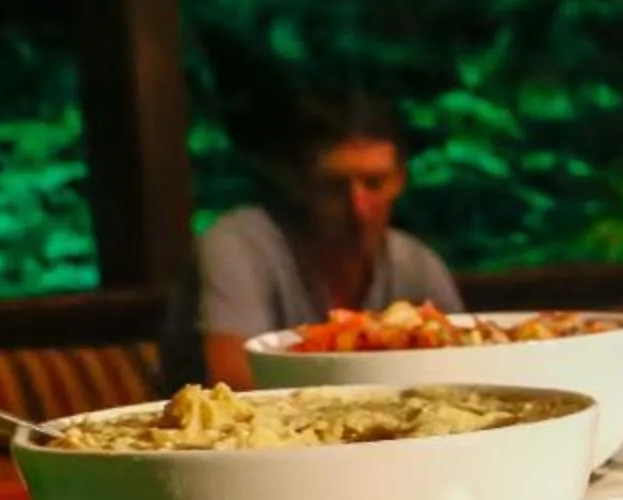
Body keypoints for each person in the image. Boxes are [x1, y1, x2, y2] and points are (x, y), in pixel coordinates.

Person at [175, 92, 463, 387]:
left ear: (399, 181)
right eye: (335, 187)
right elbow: (232, 383)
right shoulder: (237, 246)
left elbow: (465, 372)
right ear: (301, 183)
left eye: (374, 183)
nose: (357, 207)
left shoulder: (417, 264)